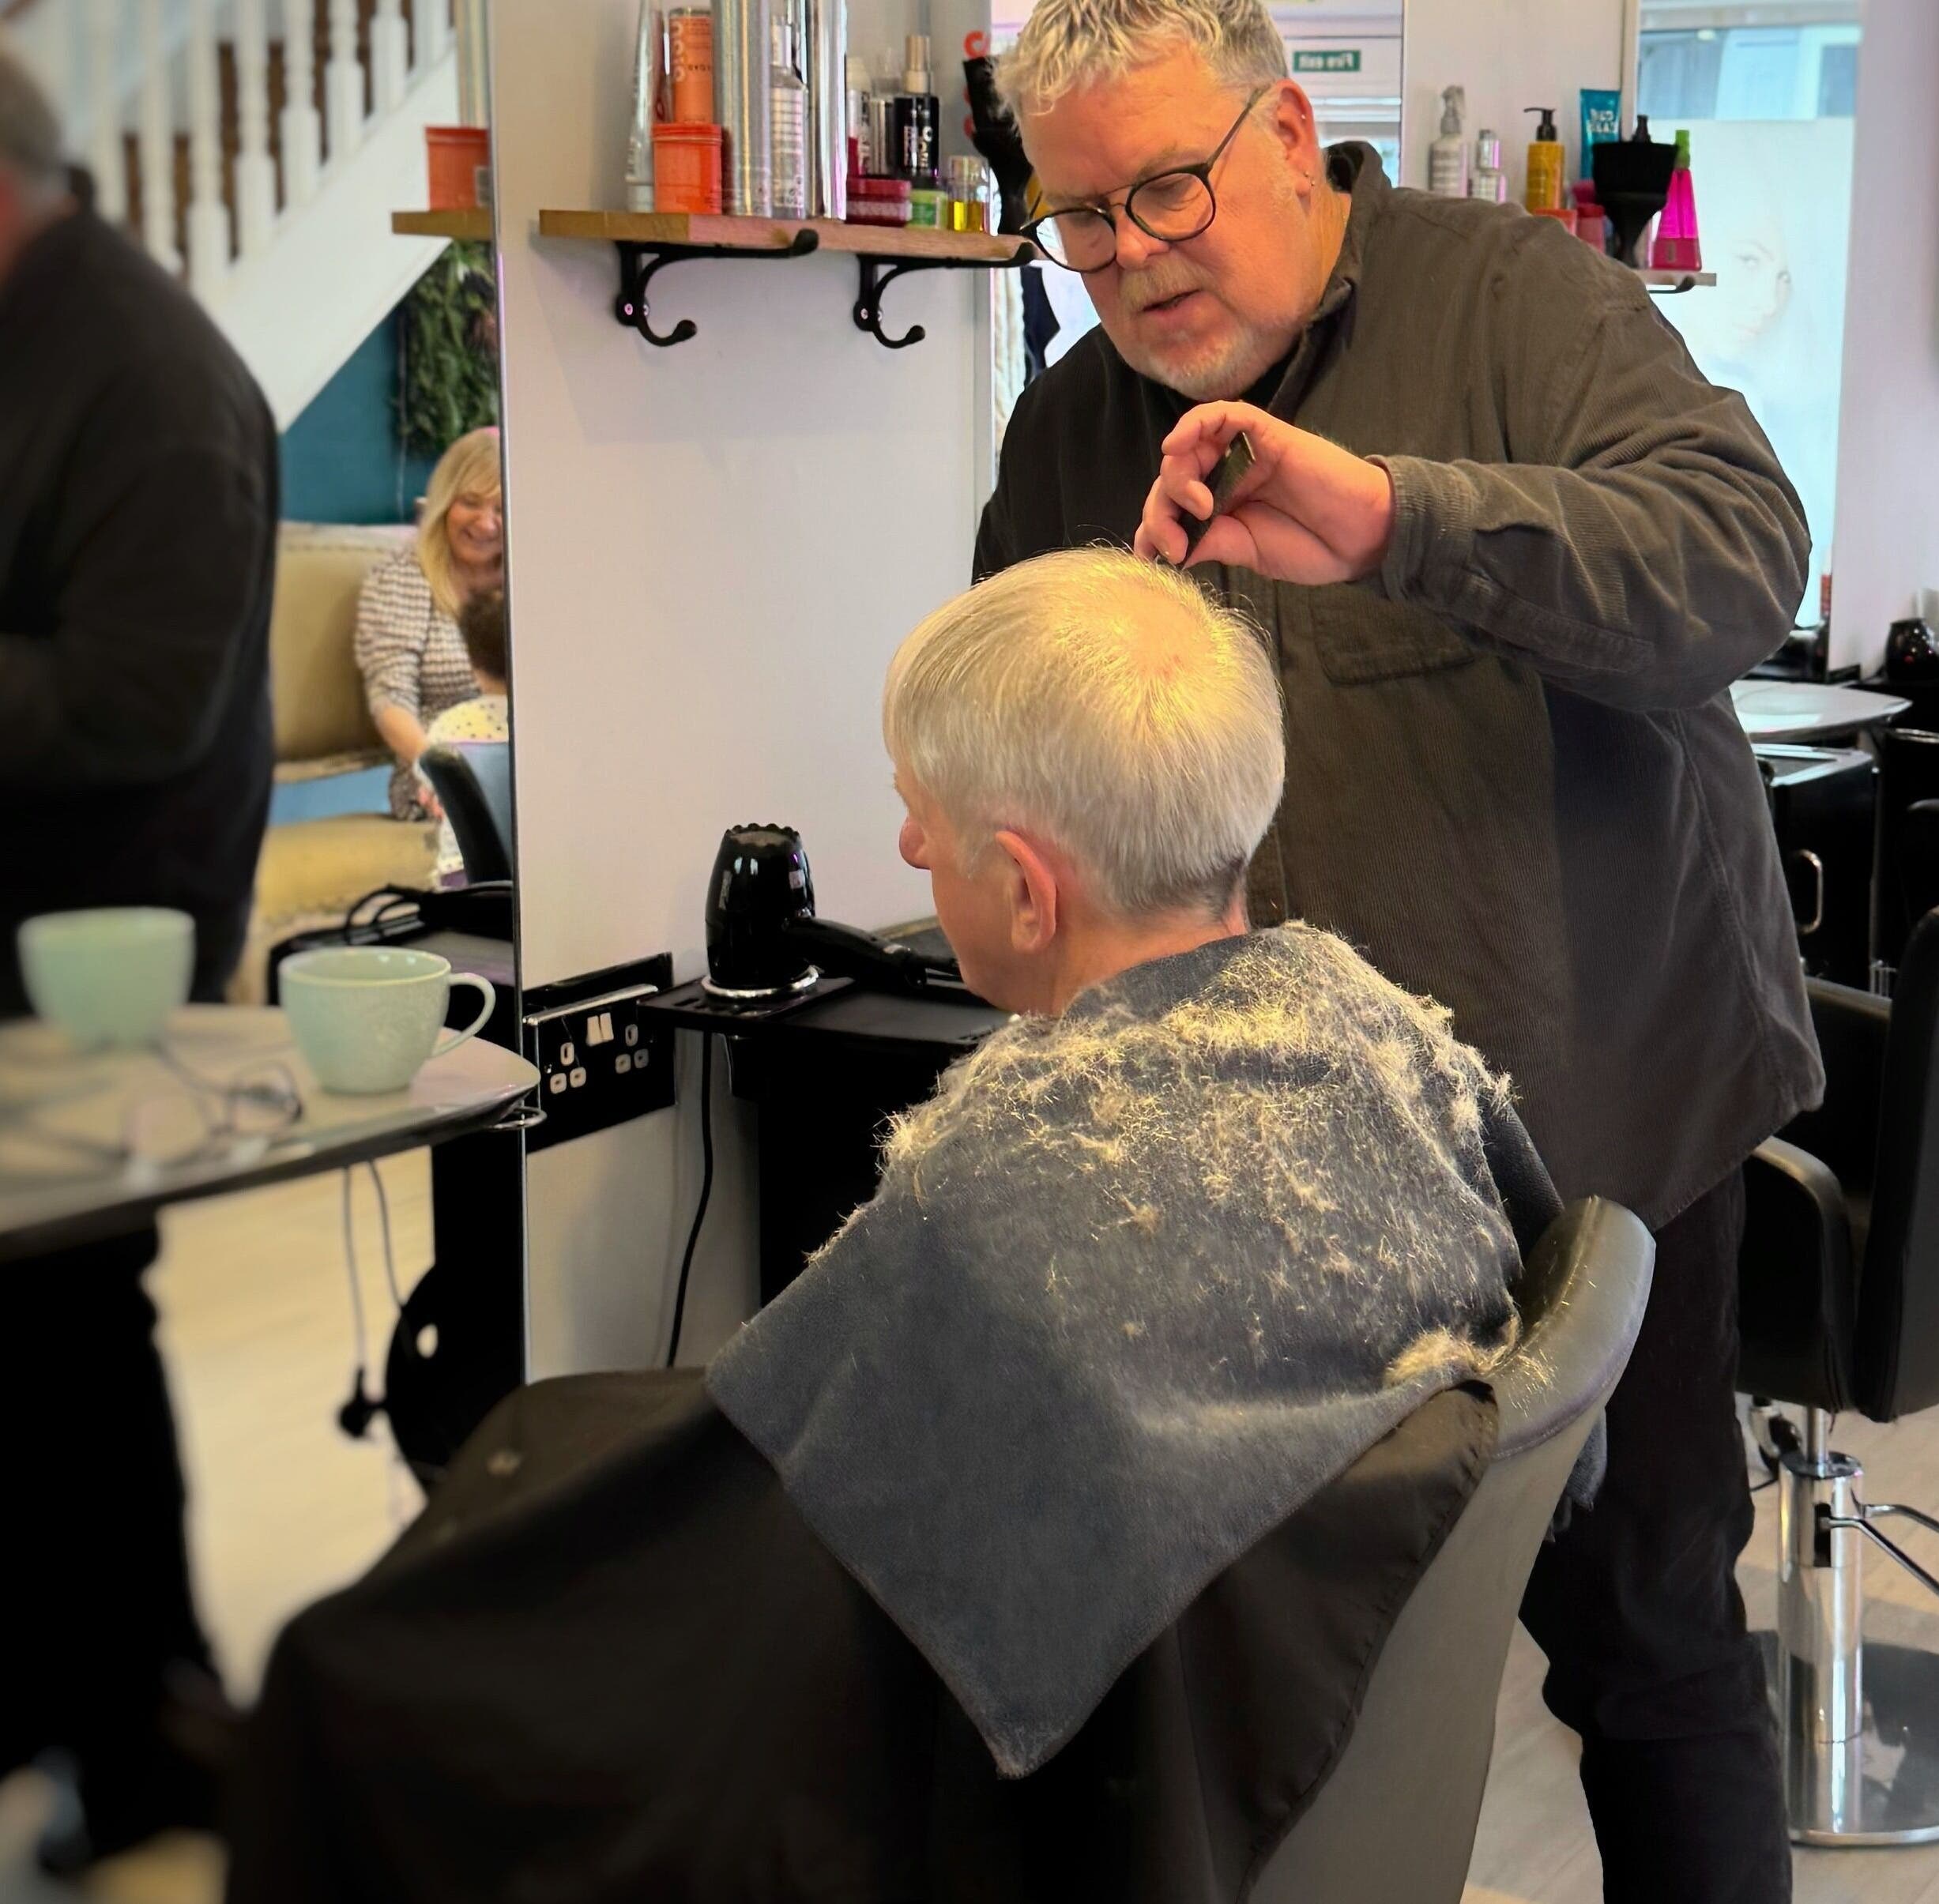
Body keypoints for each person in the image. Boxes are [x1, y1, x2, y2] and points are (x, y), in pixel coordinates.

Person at [983, 4, 1823, 1897]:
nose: (1128, 255)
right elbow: (1025, 742)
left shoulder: (1518, 306)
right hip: (1267, 1184)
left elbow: (1739, 558)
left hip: (1599, 1131)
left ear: (1287, 134)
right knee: (1288, 1699)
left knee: (1650, 1652)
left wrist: (1393, 520)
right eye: (1082, 218)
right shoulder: (1067, 437)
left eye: (1168, 187)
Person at [708, 547, 1562, 1778]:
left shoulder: (995, 1205)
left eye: (920, 814)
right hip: (1304, 1753)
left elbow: (792, 1573)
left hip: (1097, 1804)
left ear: (1025, 891)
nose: (907, 844)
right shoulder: (1389, 1044)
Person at [0, 50, 276, 1871]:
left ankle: (140, 1726)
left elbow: (137, 698)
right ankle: (94, 1713)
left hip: (98, 935)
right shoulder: (43, 338)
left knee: (71, 1318)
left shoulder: (150, 376)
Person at [354, 425, 502, 820]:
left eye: (501, 509)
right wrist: (448, 777)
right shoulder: (401, 578)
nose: (486, 523)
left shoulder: (534, 577)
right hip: (434, 780)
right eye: (471, 503)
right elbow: (391, 699)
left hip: (528, 773)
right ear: (444, 501)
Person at [420, 586, 511, 879]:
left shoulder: (448, 726)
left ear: (472, 661)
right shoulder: (542, 727)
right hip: (532, 870)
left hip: (464, 875)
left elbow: (430, 788)